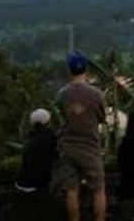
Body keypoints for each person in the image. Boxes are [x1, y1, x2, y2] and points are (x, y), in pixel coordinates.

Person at [56, 51, 108, 221]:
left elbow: (62, 115)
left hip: (68, 145)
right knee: (98, 189)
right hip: (90, 146)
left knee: (71, 190)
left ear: (69, 70)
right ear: (86, 69)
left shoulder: (62, 94)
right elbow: (102, 118)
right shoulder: (96, 94)